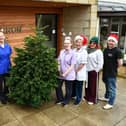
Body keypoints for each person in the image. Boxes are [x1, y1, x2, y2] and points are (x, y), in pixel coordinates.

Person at [100, 34, 123, 110]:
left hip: (112, 73)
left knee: (112, 88)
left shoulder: (118, 51)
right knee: (107, 85)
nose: (111, 42)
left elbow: (120, 63)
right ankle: (106, 97)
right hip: (105, 71)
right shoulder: (106, 50)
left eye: (112, 41)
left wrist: (114, 68)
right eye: (110, 40)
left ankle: (110, 103)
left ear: (115, 42)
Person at [55, 36, 76, 106]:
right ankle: (60, 99)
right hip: (61, 73)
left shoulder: (73, 53)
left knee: (68, 89)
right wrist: (58, 68)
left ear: (71, 44)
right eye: (65, 43)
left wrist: (65, 73)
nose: (66, 44)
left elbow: (72, 66)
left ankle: (66, 101)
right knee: (57, 86)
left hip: (69, 74)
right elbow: (58, 60)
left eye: (68, 43)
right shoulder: (62, 51)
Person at [85, 36, 103, 105]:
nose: (92, 44)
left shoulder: (99, 52)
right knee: (87, 85)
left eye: (94, 43)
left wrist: (96, 70)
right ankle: (87, 96)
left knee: (93, 86)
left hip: (93, 71)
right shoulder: (87, 50)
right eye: (91, 42)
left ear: (96, 44)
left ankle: (93, 99)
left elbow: (101, 63)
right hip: (86, 70)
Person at [73, 35, 88, 105]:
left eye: (80, 42)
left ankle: (78, 99)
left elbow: (82, 63)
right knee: (75, 84)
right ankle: (74, 95)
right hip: (73, 71)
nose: (78, 44)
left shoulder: (84, 52)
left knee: (79, 86)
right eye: (77, 42)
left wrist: (76, 70)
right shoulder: (74, 50)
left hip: (80, 72)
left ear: (82, 43)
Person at [0, 31, 12, 104]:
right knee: (0, 85)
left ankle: (7, 95)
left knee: (7, 83)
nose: (1, 37)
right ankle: (2, 97)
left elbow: (9, 55)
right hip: (0, 69)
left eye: (2, 36)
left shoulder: (8, 46)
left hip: (8, 67)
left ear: (4, 37)